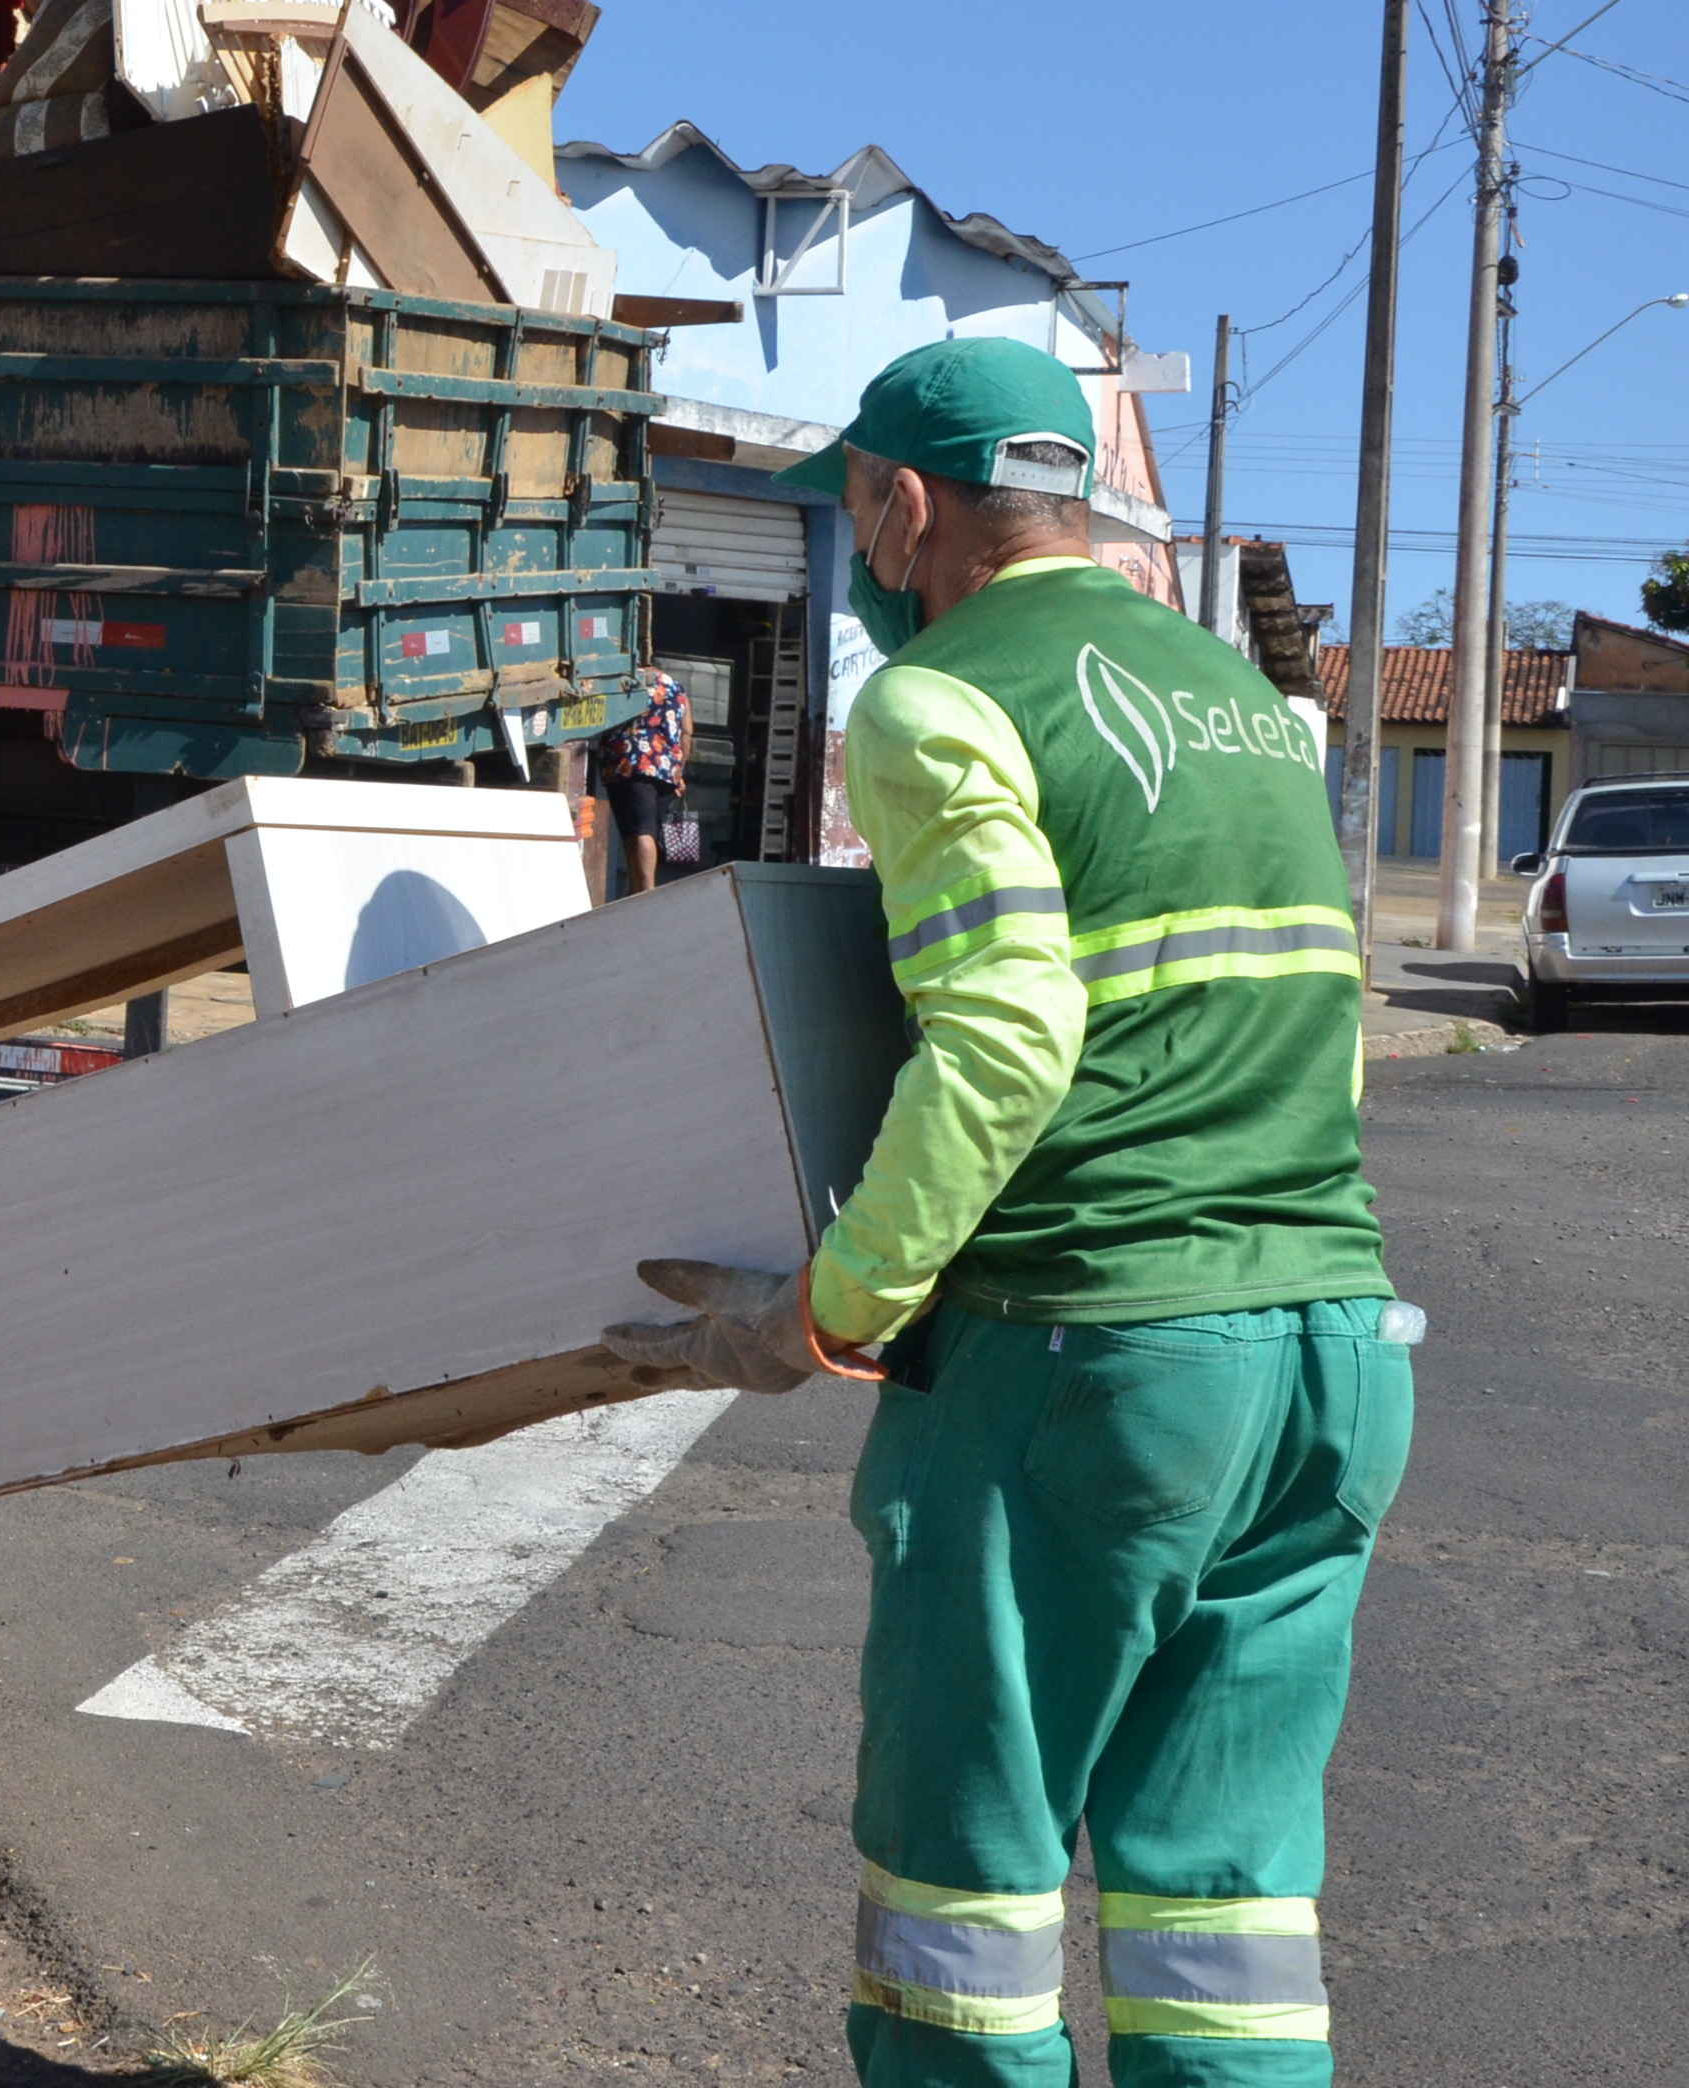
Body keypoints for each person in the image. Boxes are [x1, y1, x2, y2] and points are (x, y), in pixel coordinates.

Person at [600, 338, 1408, 2086]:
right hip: (1331, 1350)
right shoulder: (1245, 707)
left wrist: (834, 1299)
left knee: (961, 1901)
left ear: (905, 502)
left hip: (1089, 1357)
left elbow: (1009, 1032)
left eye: (862, 519)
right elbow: (1319, 1017)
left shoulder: (942, 698)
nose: (870, 562)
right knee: (1227, 1919)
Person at [604, 665, 690, 894]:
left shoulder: (630, 681)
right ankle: (635, 893)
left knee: (640, 832)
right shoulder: (677, 687)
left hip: (633, 764)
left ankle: (645, 892)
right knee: (639, 832)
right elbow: (687, 732)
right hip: (668, 770)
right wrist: (680, 771)